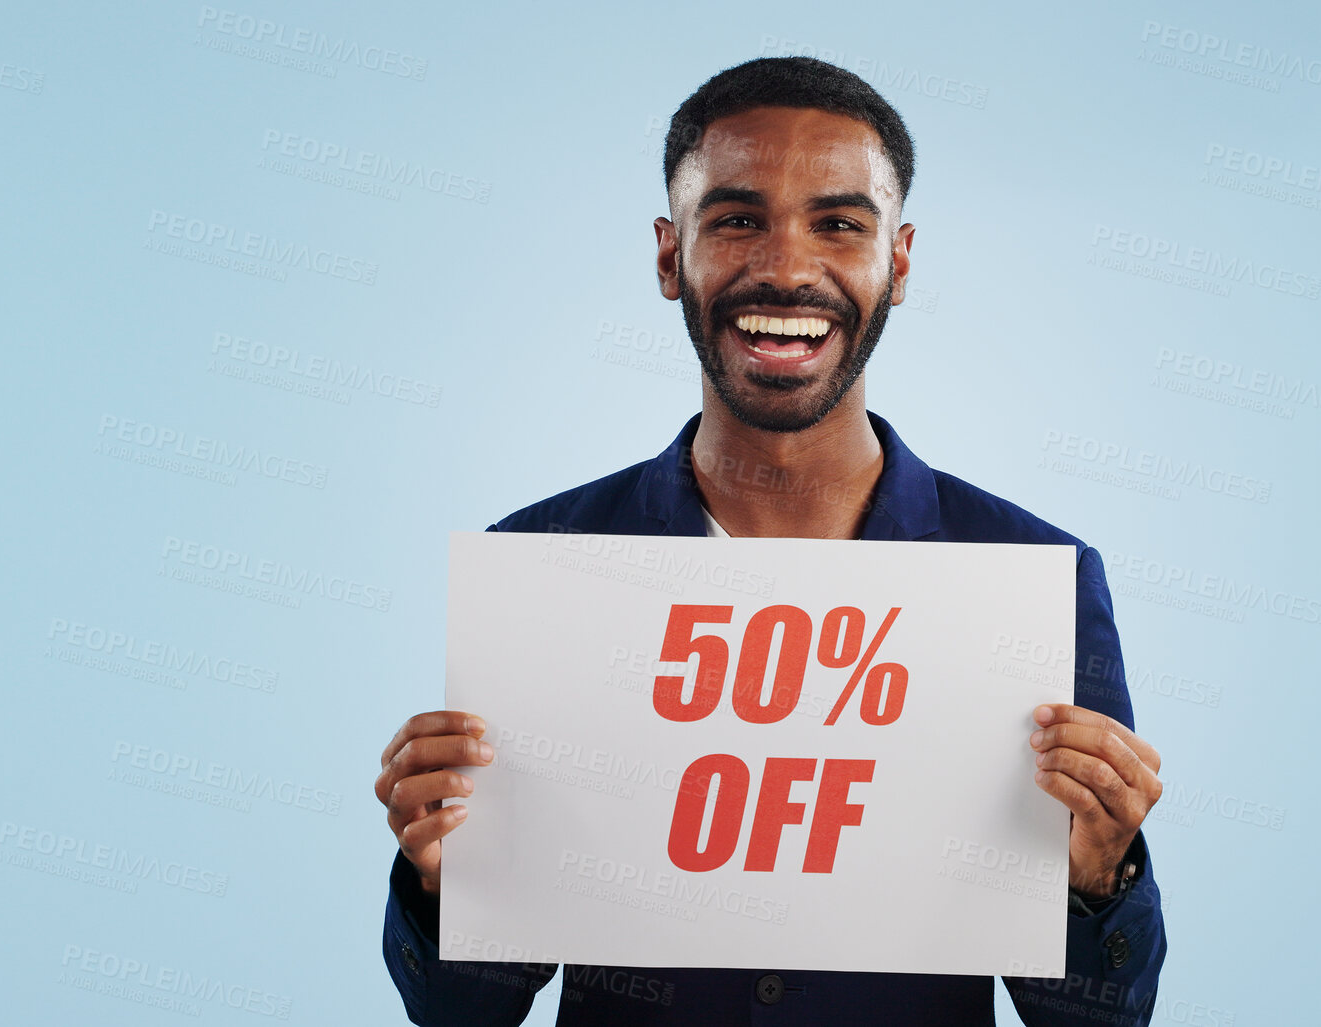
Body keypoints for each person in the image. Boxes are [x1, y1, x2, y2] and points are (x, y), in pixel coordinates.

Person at [376, 57, 1167, 1026]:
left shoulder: (1036, 586)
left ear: (899, 264)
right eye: (738, 219)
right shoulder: (546, 568)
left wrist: (1096, 879)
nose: (789, 268)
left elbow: (1100, 1020)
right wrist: (443, 882)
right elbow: (463, 1012)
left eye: (839, 223)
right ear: (671, 257)